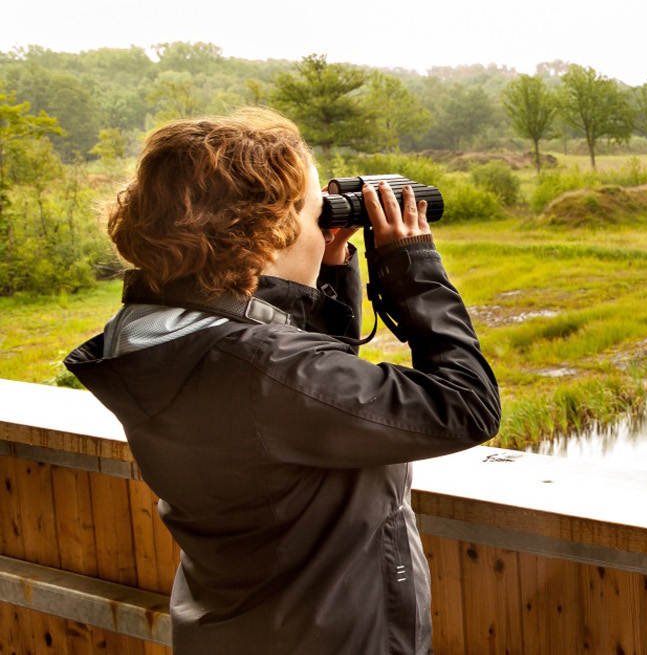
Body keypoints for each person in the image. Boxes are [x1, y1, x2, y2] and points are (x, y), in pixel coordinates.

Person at [64, 108, 501, 655]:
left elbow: (311, 398)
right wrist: (415, 269)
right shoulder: (263, 369)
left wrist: (330, 264)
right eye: (317, 212)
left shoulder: (168, 337)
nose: (324, 224)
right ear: (265, 233)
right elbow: (465, 407)